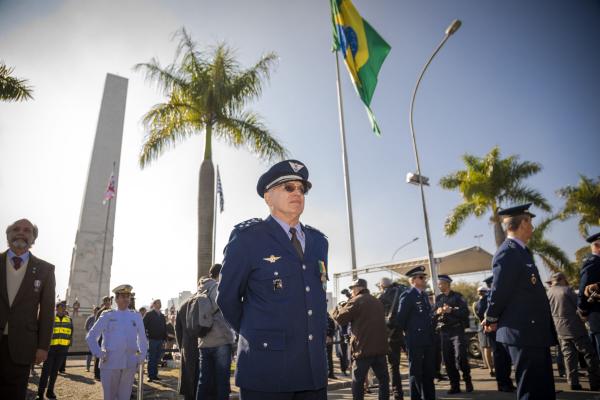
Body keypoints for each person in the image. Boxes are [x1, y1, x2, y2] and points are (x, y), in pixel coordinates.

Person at [217, 159, 329, 400]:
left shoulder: (319, 242)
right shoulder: (248, 238)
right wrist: (257, 334)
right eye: (288, 187)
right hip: (267, 370)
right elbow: (227, 299)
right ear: (268, 197)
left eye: (302, 189)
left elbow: (315, 295)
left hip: (313, 370)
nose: (297, 193)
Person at [483, 203, 557, 400]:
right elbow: (499, 290)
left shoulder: (522, 251)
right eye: (530, 222)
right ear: (522, 223)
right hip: (522, 331)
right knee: (532, 390)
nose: (532, 227)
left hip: (533, 331)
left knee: (544, 388)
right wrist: (491, 318)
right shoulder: (508, 251)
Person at [0, 218, 56, 400]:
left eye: (27, 230)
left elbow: (47, 311)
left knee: (15, 393)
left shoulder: (45, 270)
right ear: (8, 235)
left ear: (33, 238)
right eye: (16, 229)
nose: (21, 232)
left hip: (23, 345)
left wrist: (43, 346)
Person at [86, 284, 148, 400]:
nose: (126, 299)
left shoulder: (136, 316)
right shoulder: (108, 315)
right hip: (110, 362)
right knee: (109, 396)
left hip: (129, 362)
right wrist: (99, 353)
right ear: (116, 299)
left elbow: (143, 339)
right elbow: (91, 336)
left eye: (128, 296)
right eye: (123, 296)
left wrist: (142, 356)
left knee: (124, 397)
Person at [333, 278, 390, 400]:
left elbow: (340, 318)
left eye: (352, 289)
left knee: (357, 382)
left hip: (363, 350)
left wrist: (338, 308)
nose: (351, 291)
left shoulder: (356, 301)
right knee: (383, 381)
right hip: (380, 349)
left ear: (358, 288)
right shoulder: (377, 301)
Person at [547, 271, 600, 390]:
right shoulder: (567, 290)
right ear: (562, 279)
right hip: (575, 327)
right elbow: (580, 306)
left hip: (560, 329)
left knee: (569, 356)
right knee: (589, 355)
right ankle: (595, 382)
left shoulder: (549, 292)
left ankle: (573, 382)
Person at [396, 266, 435, 400]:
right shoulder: (408, 295)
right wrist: (405, 339)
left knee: (429, 372)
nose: (424, 279)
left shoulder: (424, 295)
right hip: (415, 340)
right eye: (421, 277)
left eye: (424, 277)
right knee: (416, 373)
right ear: (413, 280)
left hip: (427, 339)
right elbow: (400, 319)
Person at [197, 263, 235, 400]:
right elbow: (227, 309)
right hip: (220, 341)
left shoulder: (200, 289)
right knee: (222, 382)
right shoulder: (217, 288)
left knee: (203, 381)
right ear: (220, 274)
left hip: (203, 341)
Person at [433, 274, 472, 394]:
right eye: (438, 284)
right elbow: (433, 314)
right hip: (444, 332)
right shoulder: (438, 298)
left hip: (456, 330)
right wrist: (437, 312)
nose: (439, 286)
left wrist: (452, 310)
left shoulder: (458, 296)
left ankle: (467, 380)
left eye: (441, 283)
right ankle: (454, 385)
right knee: (448, 360)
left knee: (460, 356)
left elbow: (465, 312)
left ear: (447, 284)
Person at [482, 275, 514, 392]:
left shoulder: (493, 294)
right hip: (494, 329)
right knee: (500, 357)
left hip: (498, 328)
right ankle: (503, 383)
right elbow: (491, 311)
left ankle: (506, 382)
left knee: (504, 357)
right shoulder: (492, 294)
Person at [36, 301, 73, 399]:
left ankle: (50, 391)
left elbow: (70, 334)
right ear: (57, 308)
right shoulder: (50, 319)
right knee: (45, 372)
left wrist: (67, 346)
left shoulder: (69, 319)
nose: (63, 309)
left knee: (54, 372)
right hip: (50, 349)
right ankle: (40, 393)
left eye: (64, 307)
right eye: (61, 307)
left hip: (62, 350)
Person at [377, 277, 406, 400]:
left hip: (391, 334)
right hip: (405, 332)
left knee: (393, 366)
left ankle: (398, 394)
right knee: (415, 362)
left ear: (382, 286)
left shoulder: (381, 297)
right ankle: (420, 389)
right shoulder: (402, 292)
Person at [578, 232, 600, 357]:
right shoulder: (593, 262)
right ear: (597, 246)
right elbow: (583, 290)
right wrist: (583, 310)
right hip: (597, 312)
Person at [176, 293, 200, 400]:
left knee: (189, 377)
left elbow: (178, 331)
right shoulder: (205, 302)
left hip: (187, 345)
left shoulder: (182, 306)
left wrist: (181, 346)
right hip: (202, 344)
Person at [472, 287, 494, 377]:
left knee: (486, 348)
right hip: (490, 326)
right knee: (492, 348)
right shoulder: (488, 301)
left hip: (481, 327)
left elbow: (476, 316)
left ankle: (490, 368)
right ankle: (493, 368)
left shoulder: (475, 304)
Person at [143, 298, 167, 381]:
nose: (160, 304)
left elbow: (164, 327)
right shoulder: (149, 314)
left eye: (160, 303)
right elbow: (143, 325)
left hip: (160, 339)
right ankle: (150, 375)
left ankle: (155, 375)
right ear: (154, 304)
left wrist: (164, 339)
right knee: (151, 358)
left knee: (157, 358)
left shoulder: (162, 315)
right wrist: (146, 336)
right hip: (152, 339)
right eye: (158, 303)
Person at [85, 306, 100, 372]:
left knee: (97, 354)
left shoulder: (101, 318)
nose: (96, 311)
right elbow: (86, 327)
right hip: (92, 338)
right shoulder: (90, 318)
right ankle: (87, 367)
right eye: (95, 310)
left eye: (97, 310)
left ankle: (95, 368)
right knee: (89, 353)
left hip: (99, 338)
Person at [326, 313, 336, 379]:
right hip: (328, 340)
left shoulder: (328, 319)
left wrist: (329, 336)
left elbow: (332, 328)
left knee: (329, 357)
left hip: (327, 340)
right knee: (328, 357)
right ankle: (330, 373)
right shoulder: (329, 318)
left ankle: (330, 373)